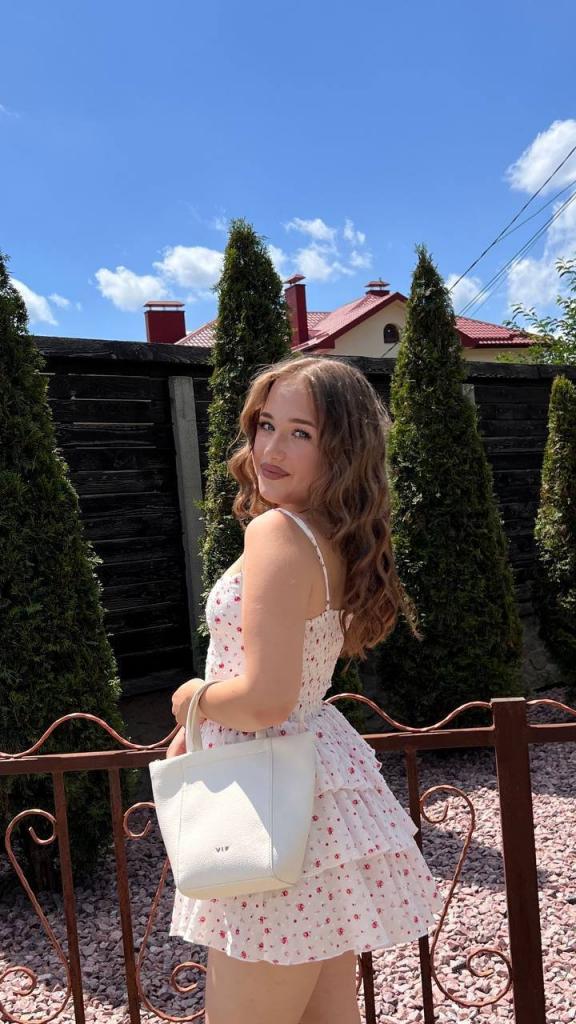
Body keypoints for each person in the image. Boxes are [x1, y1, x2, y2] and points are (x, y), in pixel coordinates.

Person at [166, 354, 440, 1024]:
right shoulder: (331, 538)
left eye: (300, 433)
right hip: (311, 791)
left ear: (342, 450)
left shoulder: (277, 532)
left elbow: (266, 699)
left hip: (266, 802)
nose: (271, 449)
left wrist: (191, 698)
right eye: (266, 425)